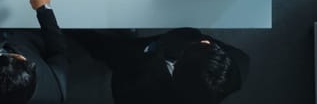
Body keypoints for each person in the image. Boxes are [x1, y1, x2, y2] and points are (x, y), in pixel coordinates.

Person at [70, 28, 249, 104]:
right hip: (156, 49)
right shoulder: (239, 64)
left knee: (105, 48)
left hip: (133, 71)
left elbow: (124, 88)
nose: (205, 41)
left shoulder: (147, 91)